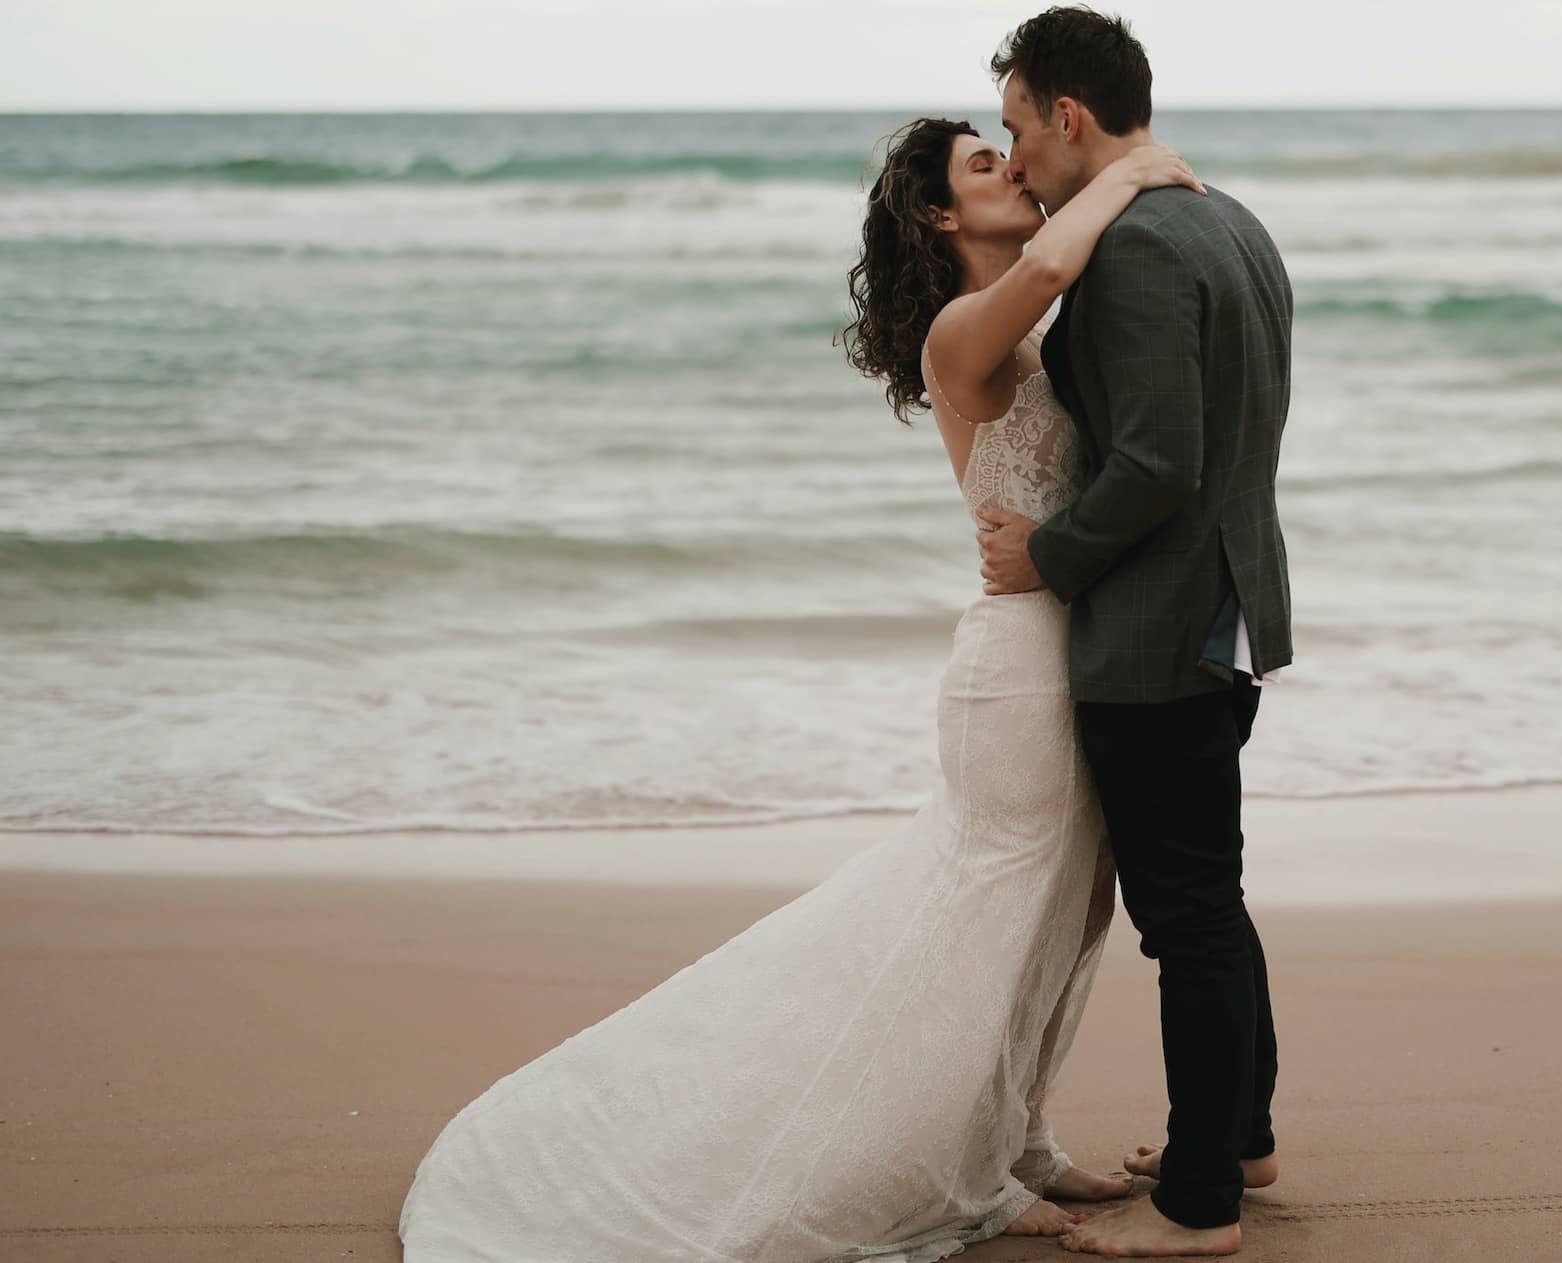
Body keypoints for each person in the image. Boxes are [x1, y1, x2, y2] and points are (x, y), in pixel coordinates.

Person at [394, 117, 1207, 1261]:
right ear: (936, 214)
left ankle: (1021, 1139)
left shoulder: (1044, 336)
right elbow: (1051, 263)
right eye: (985, 166)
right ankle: (968, 1170)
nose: (1014, 172)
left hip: (1077, 648)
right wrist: (1128, 167)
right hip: (1015, 669)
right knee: (999, 918)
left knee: (1071, 912)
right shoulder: (961, 331)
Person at [973, 6, 1296, 1257]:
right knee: (1214, 899)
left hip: (1161, 632)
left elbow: (1159, 459)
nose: (1016, 160)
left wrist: (1047, 552)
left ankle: (1202, 1202)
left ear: (1069, 116)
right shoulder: (1233, 219)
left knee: (1189, 919)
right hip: (1230, 609)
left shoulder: (1137, 249)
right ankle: (1243, 1137)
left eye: (1017, 130)